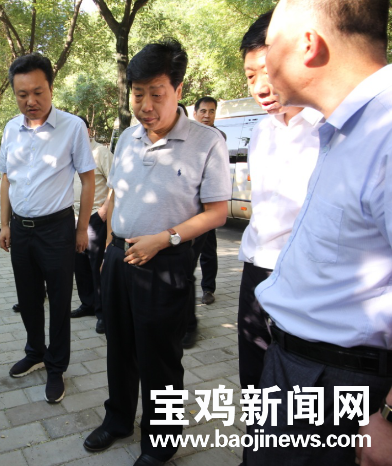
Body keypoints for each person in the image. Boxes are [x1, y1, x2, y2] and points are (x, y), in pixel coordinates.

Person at [242, 1, 392, 465]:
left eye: (272, 43)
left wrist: (387, 415)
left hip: (340, 383)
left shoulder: (385, 132)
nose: (264, 62)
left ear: (308, 44)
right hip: (297, 368)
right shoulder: (349, 127)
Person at [83, 40, 230, 466]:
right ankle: (118, 420)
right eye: (137, 94)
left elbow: (218, 213)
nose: (145, 105)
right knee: (119, 345)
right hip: (119, 257)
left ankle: (161, 444)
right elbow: (116, 193)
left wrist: (164, 239)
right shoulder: (127, 137)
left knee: (160, 358)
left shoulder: (206, 141)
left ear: (178, 90)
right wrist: (109, 241)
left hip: (164, 262)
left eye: (156, 94)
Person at [0, 53, 96, 404]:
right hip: (20, 231)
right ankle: (35, 351)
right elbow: (7, 179)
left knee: (58, 299)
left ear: (51, 88)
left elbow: (88, 180)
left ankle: (56, 367)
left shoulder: (72, 127)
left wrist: (82, 229)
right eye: (22, 94)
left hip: (57, 229)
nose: (30, 101)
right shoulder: (11, 128)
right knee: (27, 298)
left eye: (37, 92)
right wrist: (4, 224)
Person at [235, 10, 321, 392]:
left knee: (295, 389)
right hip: (256, 271)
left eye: (267, 72)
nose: (260, 87)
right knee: (253, 379)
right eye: (250, 77)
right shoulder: (260, 133)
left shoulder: (328, 128)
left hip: (304, 279)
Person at [181, 96, 227, 348]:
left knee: (205, 255)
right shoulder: (188, 137)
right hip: (188, 217)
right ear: (195, 113)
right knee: (186, 266)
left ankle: (206, 292)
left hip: (207, 213)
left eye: (211, 111)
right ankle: (185, 321)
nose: (207, 115)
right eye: (203, 111)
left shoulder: (215, 138)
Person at [71, 116, 113, 334]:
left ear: (88, 130)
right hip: (73, 217)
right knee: (80, 264)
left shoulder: (101, 153)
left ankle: (103, 312)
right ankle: (87, 303)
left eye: (81, 128)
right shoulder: (70, 152)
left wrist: (105, 209)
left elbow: (116, 182)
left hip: (96, 215)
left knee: (97, 265)